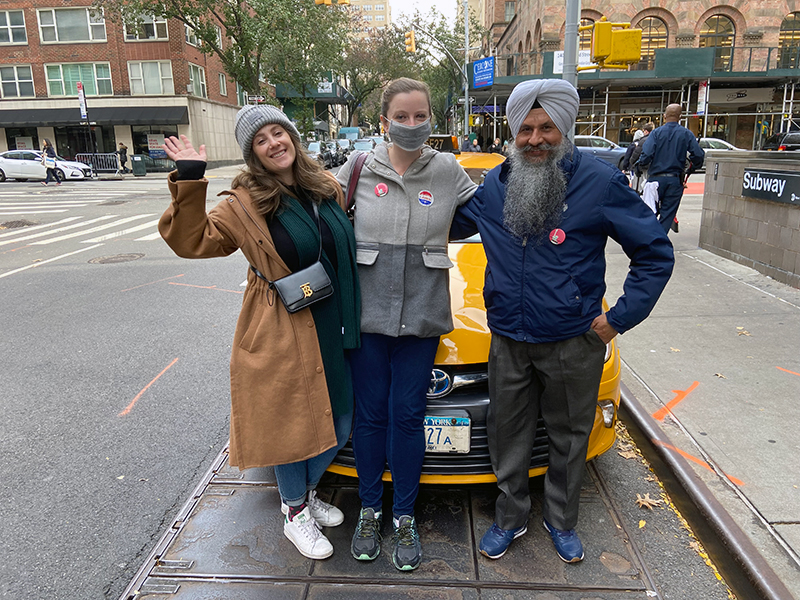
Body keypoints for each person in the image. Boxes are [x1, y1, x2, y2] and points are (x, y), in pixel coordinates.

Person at [450, 79, 674, 564]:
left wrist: (618, 319)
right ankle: (509, 517)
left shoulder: (600, 182)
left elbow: (654, 253)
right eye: (526, 129)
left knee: (570, 436)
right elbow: (441, 222)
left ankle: (560, 519)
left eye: (546, 127)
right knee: (507, 433)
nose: (535, 139)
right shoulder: (498, 183)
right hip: (509, 338)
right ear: (513, 132)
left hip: (574, 340)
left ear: (565, 127)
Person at [158, 104, 361, 561]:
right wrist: (190, 176)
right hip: (285, 327)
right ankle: (294, 513)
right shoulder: (244, 202)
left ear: (292, 135)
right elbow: (193, 240)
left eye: (278, 132)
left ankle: (303, 496)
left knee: (340, 421)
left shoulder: (324, 187)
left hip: (335, 322)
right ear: (252, 154)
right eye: (261, 141)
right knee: (292, 426)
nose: (274, 143)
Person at [335, 77, 477, 571]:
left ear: (432, 120)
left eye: (421, 116)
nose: (412, 125)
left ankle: (404, 517)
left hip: (422, 315)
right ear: (384, 121)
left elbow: (487, 214)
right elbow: (315, 212)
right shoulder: (357, 167)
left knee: (408, 416)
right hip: (367, 316)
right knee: (372, 417)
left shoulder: (448, 170)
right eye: (402, 117)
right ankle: (370, 509)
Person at [637, 104, 704, 234]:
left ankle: (648, 239)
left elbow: (646, 154)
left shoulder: (656, 133)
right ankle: (659, 242)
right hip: (675, 180)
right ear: (680, 117)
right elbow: (698, 155)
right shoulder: (686, 134)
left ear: (664, 116)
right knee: (667, 215)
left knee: (649, 212)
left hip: (655, 180)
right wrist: (693, 167)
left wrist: (640, 165)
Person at [621, 122, 653, 193]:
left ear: (646, 131)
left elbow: (634, 155)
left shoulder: (641, 141)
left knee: (636, 185)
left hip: (641, 167)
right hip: (652, 167)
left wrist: (631, 164)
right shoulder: (655, 139)